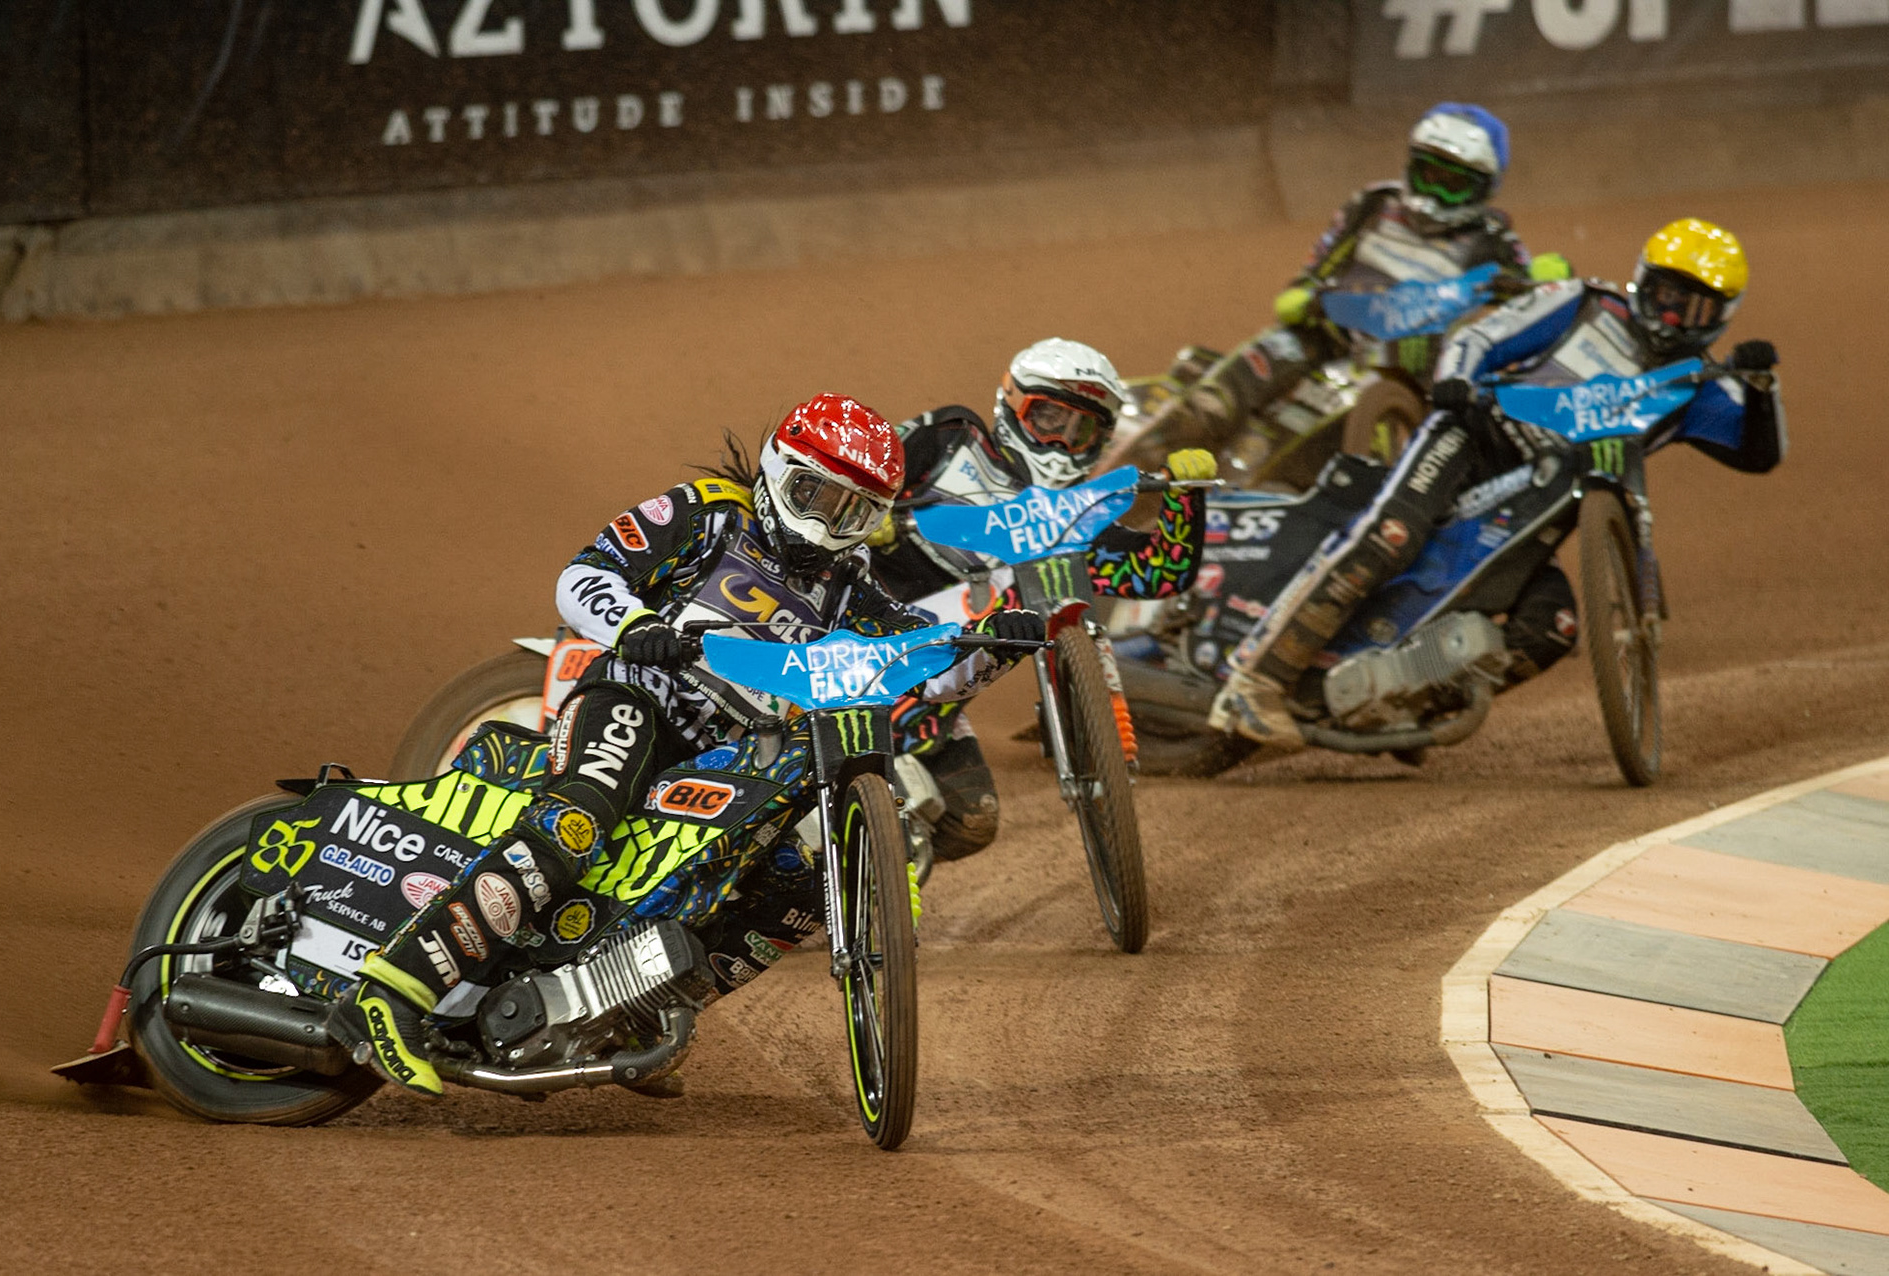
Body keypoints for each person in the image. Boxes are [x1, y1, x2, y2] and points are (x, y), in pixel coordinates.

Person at [332, 393, 1045, 1097]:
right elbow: (584, 576)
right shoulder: (708, 514)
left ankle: (632, 1015)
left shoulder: (850, 584)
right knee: (578, 819)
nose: (826, 526)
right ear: (779, 470)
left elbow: (922, 667)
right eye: (815, 496)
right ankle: (393, 989)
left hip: (728, 756)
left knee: (793, 884)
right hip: (635, 702)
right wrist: (634, 625)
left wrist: (990, 648)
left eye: (852, 512)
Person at [1209, 217, 1786, 751]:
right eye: (1666, 297)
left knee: (1553, 627)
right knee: (1390, 533)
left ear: (1723, 316)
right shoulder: (1583, 303)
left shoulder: (1696, 385)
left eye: (1695, 309)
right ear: (1643, 282)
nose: (1674, 318)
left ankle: (1406, 705)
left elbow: (1761, 454)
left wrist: (1762, 388)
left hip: (1535, 506)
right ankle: (1256, 681)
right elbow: (1482, 338)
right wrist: (1456, 381)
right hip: (1473, 437)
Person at [867, 338, 1213, 860]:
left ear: (1102, 440)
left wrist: (1186, 499)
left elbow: (1156, 574)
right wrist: (873, 514)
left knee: (969, 822)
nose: (1061, 441)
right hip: (863, 640)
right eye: (1049, 418)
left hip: (931, 706)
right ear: (1013, 406)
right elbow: (855, 472)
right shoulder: (949, 438)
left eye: (1081, 430)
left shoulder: (1073, 517)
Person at [1146, 102, 1568, 462]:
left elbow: (1529, 303)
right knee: (1254, 366)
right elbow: (1314, 274)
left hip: (1411, 366)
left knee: (1380, 414)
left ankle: (1355, 473)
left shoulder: (1494, 241)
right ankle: (1162, 446)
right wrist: (1306, 296)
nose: (1436, 194)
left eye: (1454, 185)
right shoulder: (1373, 204)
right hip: (1332, 332)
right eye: (1429, 174)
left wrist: (1546, 279)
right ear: (1411, 165)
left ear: (1483, 189)